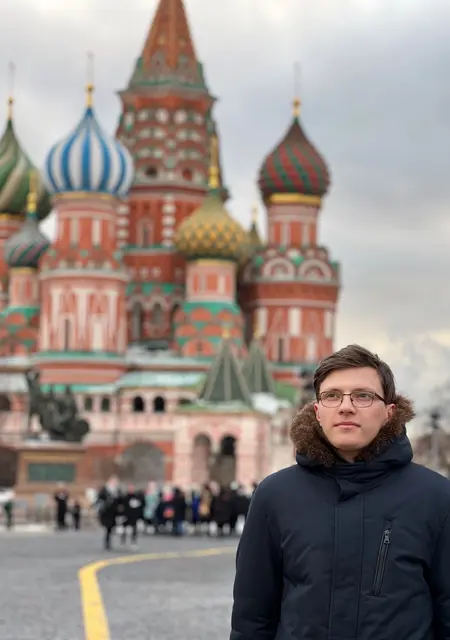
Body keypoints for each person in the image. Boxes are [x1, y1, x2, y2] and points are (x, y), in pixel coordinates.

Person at [230, 344, 450, 640]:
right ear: (317, 411)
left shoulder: (436, 498)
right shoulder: (275, 496)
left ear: (389, 412)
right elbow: (252, 618)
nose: (346, 406)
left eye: (363, 395)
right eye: (332, 395)